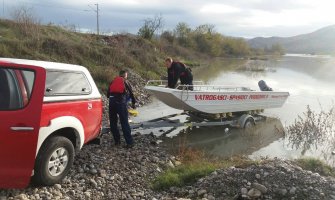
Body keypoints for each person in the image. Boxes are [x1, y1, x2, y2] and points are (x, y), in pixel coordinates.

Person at [107, 70, 136, 148]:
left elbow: (107, 94)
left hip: (112, 103)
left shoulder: (113, 81)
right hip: (120, 103)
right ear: (125, 75)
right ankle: (129, 143)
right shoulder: (125, 81)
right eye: (126, 75)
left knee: (113, 123)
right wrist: (133, 102)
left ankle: (117, 141)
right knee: (124, 122)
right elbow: (131, 92)